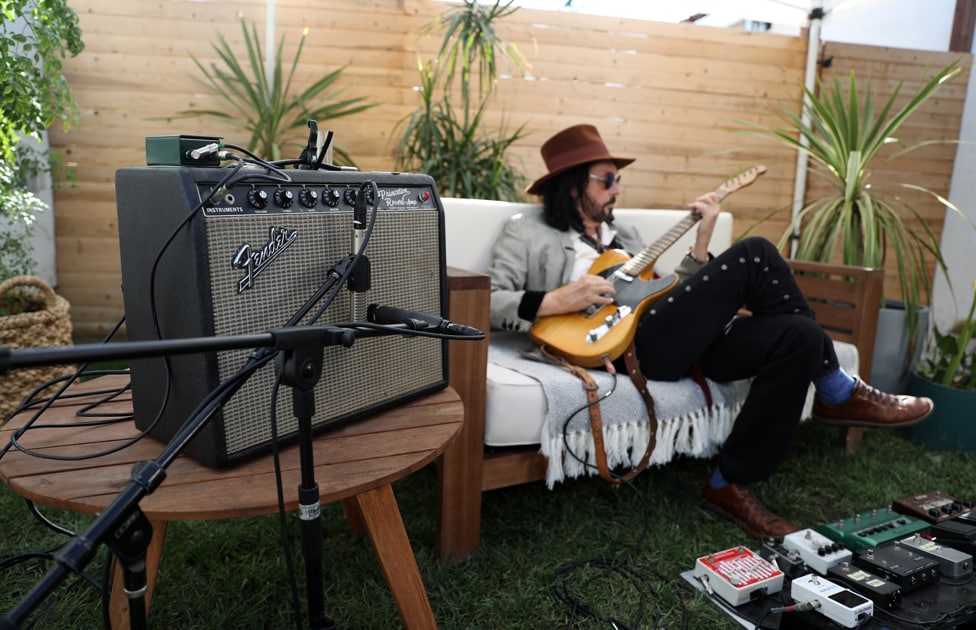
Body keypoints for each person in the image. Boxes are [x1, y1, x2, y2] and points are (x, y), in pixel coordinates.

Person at [486, 124, 934, 538]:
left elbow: (662, 293)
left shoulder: (627, 234)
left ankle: (728, 482)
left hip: (677, 336)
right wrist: (557, 299)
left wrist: (702, 240)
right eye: (607, 179)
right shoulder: (526, 231)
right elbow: (487, 300)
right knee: (755, 252)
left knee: (799, 335)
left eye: (618, 179)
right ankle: (837, 390)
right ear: (572, 183)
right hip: (631, 350)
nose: (617, 189)